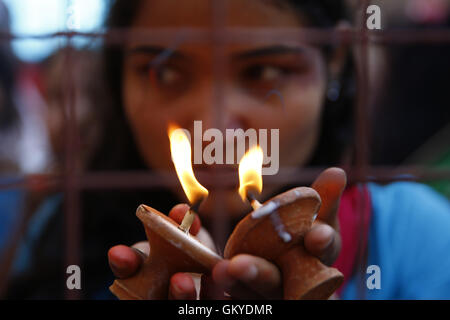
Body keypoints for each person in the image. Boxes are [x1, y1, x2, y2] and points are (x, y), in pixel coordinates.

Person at [5, 0, 450, 300]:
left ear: (333, 62)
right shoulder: (53, 232)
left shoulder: (415, 239)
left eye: (265, 70)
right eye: (164, 72)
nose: (216, 126)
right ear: (118, 76)